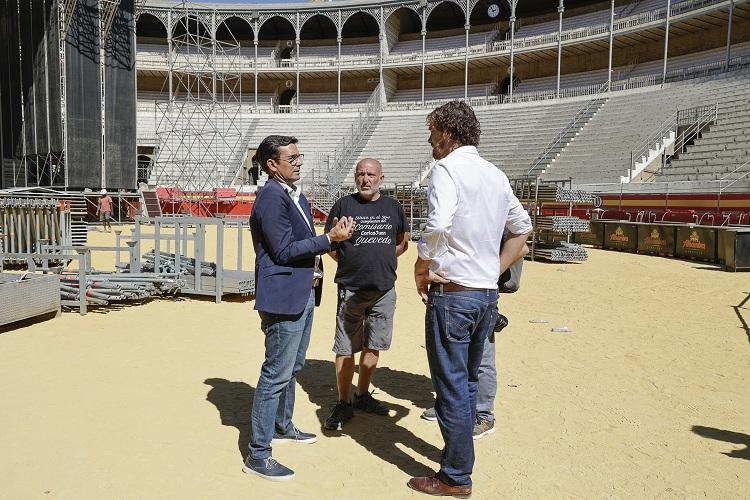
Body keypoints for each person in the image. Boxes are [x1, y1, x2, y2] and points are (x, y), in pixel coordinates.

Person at [409, 101, 533, 497]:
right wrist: (492, 271)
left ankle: (455, 476)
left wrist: (421, 265)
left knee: (451, 387)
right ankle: (457, 467)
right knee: (467, 383)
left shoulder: (446, 169)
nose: (429, 139)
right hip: (484, 297)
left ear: (446, 133)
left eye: (431, 131)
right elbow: (523, 229)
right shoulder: (495, 174)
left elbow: (439, 223)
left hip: (454, 296)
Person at [245, 135, 355, 482]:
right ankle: (258, 454)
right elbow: (284, 251)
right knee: (275, 373)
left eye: (299, 155)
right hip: (282, 296)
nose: (299, 162)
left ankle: (282, 425)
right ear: (271, 165)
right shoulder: (270, 198)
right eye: (291, 157)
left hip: (303, 293)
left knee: (293, 366)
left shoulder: (297, 197)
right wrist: (329, 240)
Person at [322, 158, 409, 431]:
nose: (365, 179)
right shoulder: (343, 205)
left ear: (381, 178)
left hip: (384, 289)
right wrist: (354, 263)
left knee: (374, 345)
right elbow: (331, 244)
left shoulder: (393, 207)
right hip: (351, 288)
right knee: (345, 348)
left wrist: (380, 259)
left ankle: (362, 394)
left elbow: (402, 242)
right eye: (360, 174)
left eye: (371, 174)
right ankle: (343, 401)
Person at [421, 241, 530, 441]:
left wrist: (487, 273)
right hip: (459, 294)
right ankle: (453, 412)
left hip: (480, 292)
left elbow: (522, 247)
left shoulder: (494, 211)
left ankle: (483, 416)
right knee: (454, 359)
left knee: (482, 359)